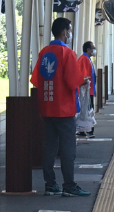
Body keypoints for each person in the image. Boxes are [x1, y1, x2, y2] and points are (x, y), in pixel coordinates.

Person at [33, 17, 92, 196]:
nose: (70, 34)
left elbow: (36, 79)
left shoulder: (44, 52)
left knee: (49, 146)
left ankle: (50, 184)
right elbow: (72, 80)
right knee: (68, 148)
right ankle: (69, 185)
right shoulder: (67, 53)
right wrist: (84, 81)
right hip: (64, 108)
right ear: (65, 32)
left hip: (46, 106)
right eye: (70, 30)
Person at [76, 41, 98, 138]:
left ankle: (85, 129)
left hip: (88, 90)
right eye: (93, 47)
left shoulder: (86, 59)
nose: (94, 49)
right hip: (86, 91)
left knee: (87, 110)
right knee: (88, 110)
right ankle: (87, 130)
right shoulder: (84, 59)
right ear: (88, 49)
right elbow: (84, 76)